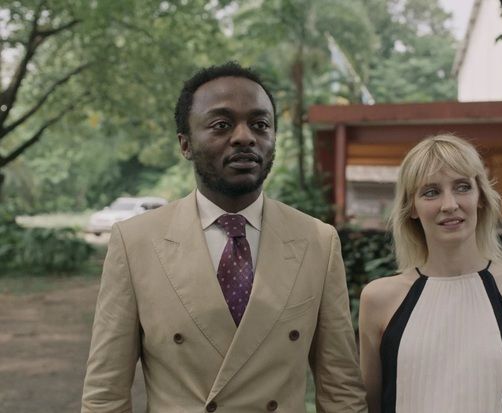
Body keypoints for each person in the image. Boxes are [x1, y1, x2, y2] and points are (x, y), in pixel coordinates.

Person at [82, 61, 367, 413]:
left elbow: (341, 390)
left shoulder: (318, 242)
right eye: (222, 124)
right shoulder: (135, 242)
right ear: (185, 144)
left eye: (260, 124)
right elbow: (105, 396)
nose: (245, 137)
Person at [358, 134, 502, 413]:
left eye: (462, 187)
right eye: (431, 192)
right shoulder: (378, 299)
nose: (449, 204)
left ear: (480, 197)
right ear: (412, 208)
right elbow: (369, 407)